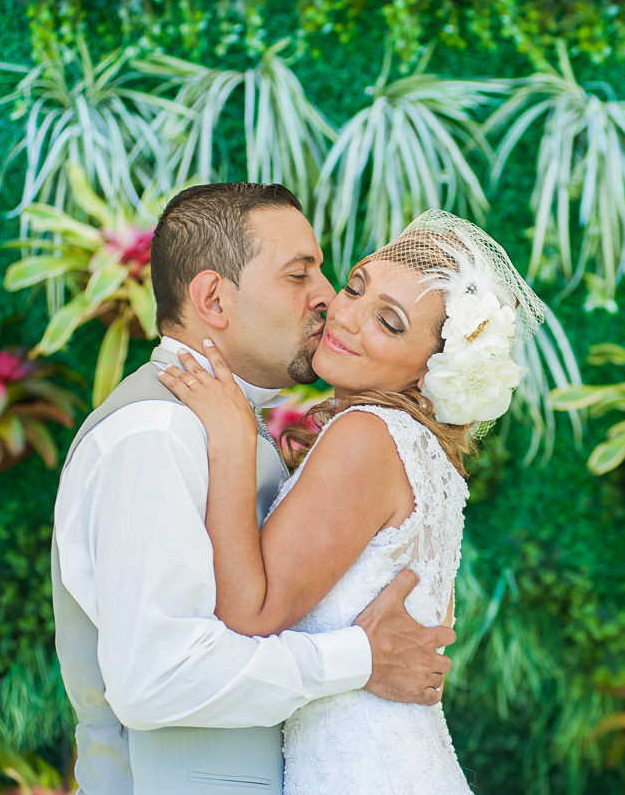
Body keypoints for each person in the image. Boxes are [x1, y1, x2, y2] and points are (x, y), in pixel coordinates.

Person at [51, 183, 456, 795]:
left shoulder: (230, 427)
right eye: (299, 275)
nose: (327, 298)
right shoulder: (156, 434)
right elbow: (157, 678)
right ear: (214, 298)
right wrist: (359, 658)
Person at [157, 209, 545, 794]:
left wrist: (232, 445)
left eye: (388, 322)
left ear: (429, 371)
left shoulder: (366, 436)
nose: (344, 315)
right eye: (356, 287)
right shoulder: (418, 449)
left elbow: (251, 615)